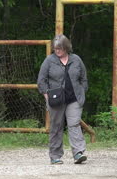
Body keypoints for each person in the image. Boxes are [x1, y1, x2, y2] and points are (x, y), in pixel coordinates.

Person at [37, 34, 88, 164]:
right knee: (56, 126)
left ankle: (78, 153)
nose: (57, 51)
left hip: (74, 99)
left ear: (66, 47)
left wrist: (82, 91)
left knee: (74, 124)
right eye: (55, 48)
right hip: (56, 100)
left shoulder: (76, 60)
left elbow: (83, 78)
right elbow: (41, 81)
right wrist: (47, 96)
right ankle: (55, 156)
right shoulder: (49, 61)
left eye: (60, 48)